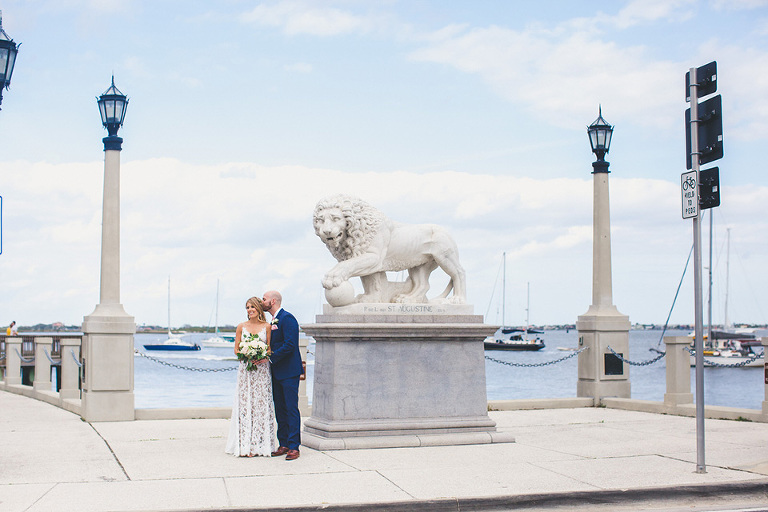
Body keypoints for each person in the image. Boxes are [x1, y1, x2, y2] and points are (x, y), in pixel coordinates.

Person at [225, 297, 277, 457]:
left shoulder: (267, 327)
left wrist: (260, 354)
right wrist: (247, 353)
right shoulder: (241, 327)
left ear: (258, 309)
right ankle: (245, 445)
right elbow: (236, 349)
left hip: (261, 370)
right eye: (247, 307)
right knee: (246, 404)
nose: (249, 310)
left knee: (260, 405)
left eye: (252, 307)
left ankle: (259, 445)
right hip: (246, 371)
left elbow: (269, 349)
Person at [262, 290, 303, 461]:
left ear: (272, 301)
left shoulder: (287, 318)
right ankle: (284, 443)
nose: (262, 302)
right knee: (279, 408)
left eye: (264, 299)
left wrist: (269, 357)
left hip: (289, 371)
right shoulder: (272, 321)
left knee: (291, 408)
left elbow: (290, 344)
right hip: (276, 371)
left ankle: (294, 446)